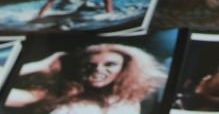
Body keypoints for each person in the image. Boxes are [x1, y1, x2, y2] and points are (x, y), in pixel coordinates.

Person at [5, 43, 167, 114]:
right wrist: (42, 65)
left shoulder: (129, 101)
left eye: (109, 64)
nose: (98, 70)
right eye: (89, 65)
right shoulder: (58, 93)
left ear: (125, 69)